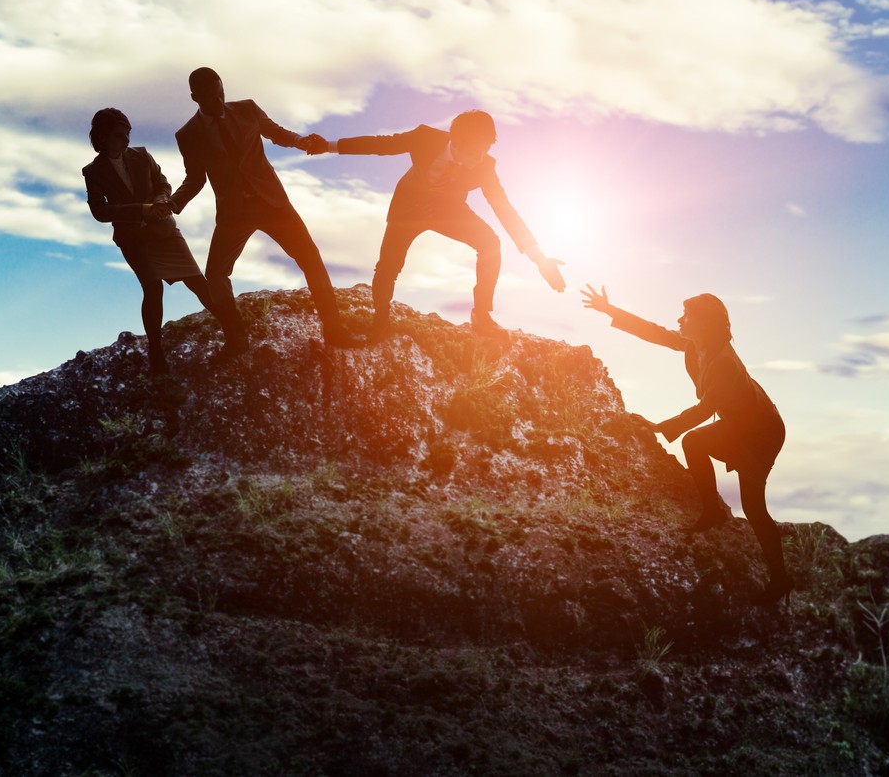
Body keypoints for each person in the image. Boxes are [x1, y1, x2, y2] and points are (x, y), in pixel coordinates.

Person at [581, 286, 792, 606]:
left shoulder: (723, 361)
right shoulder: (698, 344)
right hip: (739, 422)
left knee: (753, 508)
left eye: (687, 316)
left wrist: (660, 426)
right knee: (695, 443)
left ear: (704, 324)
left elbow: (704, 410)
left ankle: (781, 580)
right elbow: (656, 333)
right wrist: (610, 310)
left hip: (760, 433)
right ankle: (712, 511)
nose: (680, 320)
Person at [304, 110, 564, 339]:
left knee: (490, 243)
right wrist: (327, 145)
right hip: (409, 207)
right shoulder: (424, 138)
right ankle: (380, 319)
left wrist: (539, 259)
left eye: (485, 151)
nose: (479, 159)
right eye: (474, 153)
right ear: (456, 142)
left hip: (447, 210)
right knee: (388, 267)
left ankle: (481, 315)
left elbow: (504, 209)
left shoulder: (486, 166)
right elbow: (379, 145)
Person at [170, 67, 360, 347]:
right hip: (234, 213)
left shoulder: (247, 109)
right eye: (211, 97)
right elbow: (195, 179)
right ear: (195, 97)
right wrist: (173, 202)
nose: (219, 101)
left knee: (310, 258)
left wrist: (300, 141)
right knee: (216, 275)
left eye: (221, 92)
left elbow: (276, 132)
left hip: (272, 203)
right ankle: (237, 340)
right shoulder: (188, 135)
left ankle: (334, 331)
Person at [83, 108, 249, 375]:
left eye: (128, 133)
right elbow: (99, 212)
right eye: (119, 135)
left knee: (198, 282)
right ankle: (156, 354)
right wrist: (141, 209)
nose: (125, 139)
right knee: (152, 289)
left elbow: (163, 183)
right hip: (134, 238)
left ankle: (234, 332)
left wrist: (161, 200)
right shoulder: (93, 171)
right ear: (102, 137)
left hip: (163, 230)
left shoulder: (142, 155)